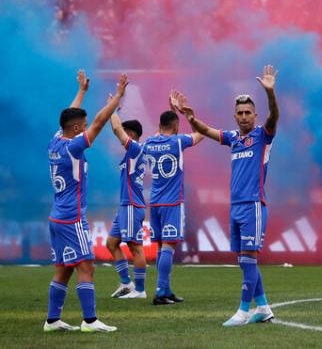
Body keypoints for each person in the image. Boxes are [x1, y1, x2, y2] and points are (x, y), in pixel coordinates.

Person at [173, 65, 280, 326]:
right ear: (235, 116)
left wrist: (270, 93)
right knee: (244, 261)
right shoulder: (233, 138)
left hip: (254, 205)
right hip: (237, 207)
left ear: (255, 115)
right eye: (240, 113)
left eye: (248, 113)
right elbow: (206, 130)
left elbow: (275, 116)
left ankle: (243, 311)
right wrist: (189, 116)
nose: (244, 116)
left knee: (249, 258)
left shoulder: (262, 136)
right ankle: (263, 307)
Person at [44, 70, 127, 333]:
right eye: (84, 123)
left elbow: (69, 115)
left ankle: (52, 320)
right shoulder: (74, 146)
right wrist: (118, 99)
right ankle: (90, 321)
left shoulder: (56, 141)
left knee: (64, 270)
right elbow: (101, 122)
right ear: (78, 129)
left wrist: (82, 91)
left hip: (56, 217)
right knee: (86, 266)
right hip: (72, 218)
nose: (87, 124)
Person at [142, 95, 205, 305]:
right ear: (177, 127)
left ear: (159, 125)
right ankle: (160, 291)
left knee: (161, 246)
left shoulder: (149, 142)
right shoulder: (178, 141)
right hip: (172, 203)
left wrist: (172, 112)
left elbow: (162, 129)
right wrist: (184, 115)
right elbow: (201, 134)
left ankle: (166, 289)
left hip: (155, 202)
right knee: (169, 246)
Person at [105, 112, 148, 299]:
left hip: (132, 205)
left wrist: (111, 109)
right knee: (111, 243)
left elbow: (115, 128)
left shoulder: (135, 149)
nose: (120, 136)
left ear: (130, 135)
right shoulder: (132, 153)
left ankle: (140, 290)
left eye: (125, 132)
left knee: (135, 247)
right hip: (126, 206)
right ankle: (126, 284)